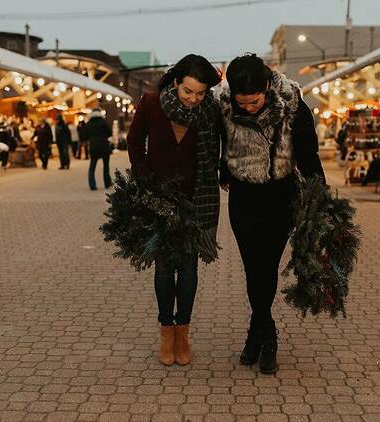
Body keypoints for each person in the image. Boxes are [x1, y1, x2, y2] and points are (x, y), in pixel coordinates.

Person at [219, 53, 325, 374]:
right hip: (243, 196)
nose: (248, 108)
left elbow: (308, 153)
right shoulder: (222, 106)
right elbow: (210, 141)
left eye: (255, 102)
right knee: (253, 267)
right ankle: (264, 332)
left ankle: (261, 335)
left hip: (281, 196)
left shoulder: (292, 104)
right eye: (243, 103)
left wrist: (320, 198)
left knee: (267, 264)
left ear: (267, 86)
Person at [128, 54, 223, 367]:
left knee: (190, 269)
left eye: (200, 93)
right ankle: (166, 330)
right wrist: (143, 173)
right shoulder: (151, 103)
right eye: (188, 92)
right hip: (160, 199)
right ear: (176, 82)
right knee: (165, 268)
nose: (194, 99)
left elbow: (222, 146)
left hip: (196, 200)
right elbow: (134, 140)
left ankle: (184, 331)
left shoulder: (211, 110)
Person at [85, 108, 113, 189]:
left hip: (94, 147)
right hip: (104, 146)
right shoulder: (104, 122)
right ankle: (107, 183)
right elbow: (109, 133)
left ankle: (92, 185)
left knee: (92, 167)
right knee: (106, 166)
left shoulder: (89, 123)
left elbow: (84, 136)